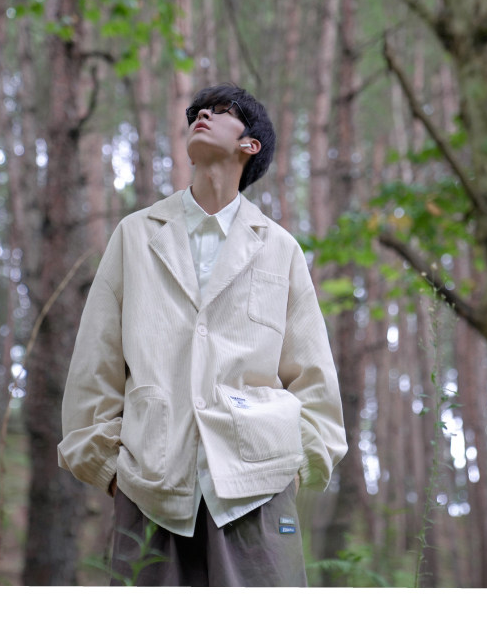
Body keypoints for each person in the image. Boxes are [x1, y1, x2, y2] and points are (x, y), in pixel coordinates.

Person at [58, 83, 347, 586]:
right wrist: (111, 471)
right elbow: (95, 361)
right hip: (149, 486)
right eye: (197, 111)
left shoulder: (280, 249)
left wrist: (292, 468)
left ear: (250, 144)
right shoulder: (136, 234)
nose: (202, 116)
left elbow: (313, 374)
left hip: (258, 489)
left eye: (220, 111)